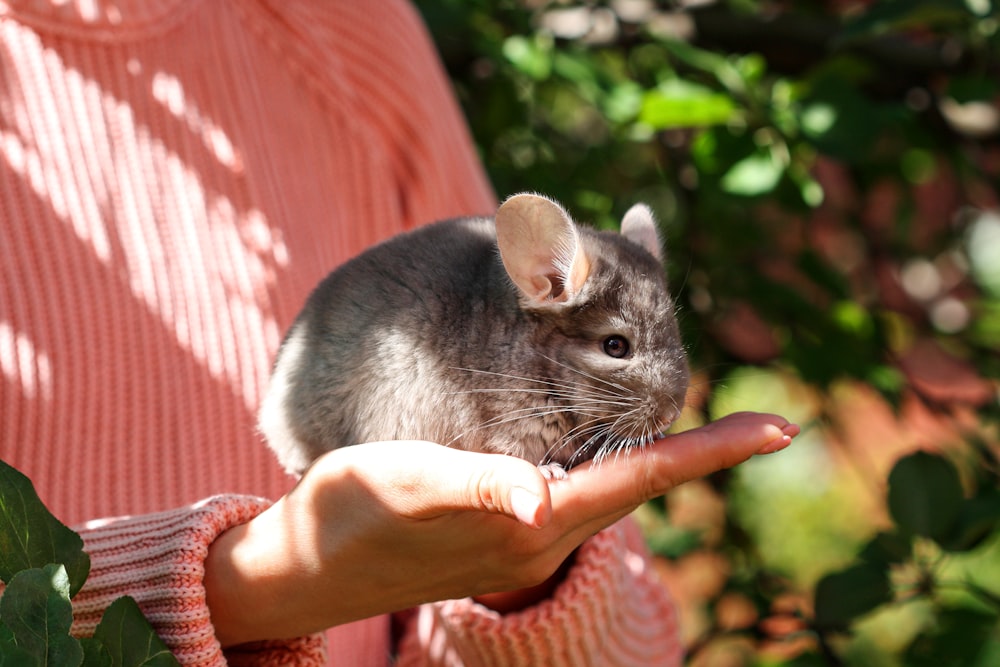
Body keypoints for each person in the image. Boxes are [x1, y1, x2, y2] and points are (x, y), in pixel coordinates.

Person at [0, 1, 798, 665]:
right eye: (620, 352)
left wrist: (518, 577)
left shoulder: (348, 26)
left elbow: (637, 640)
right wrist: (252, 584)